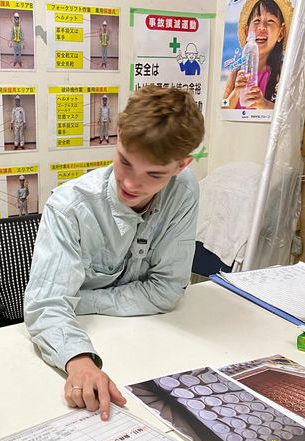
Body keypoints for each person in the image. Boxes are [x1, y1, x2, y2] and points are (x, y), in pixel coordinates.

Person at [24, 85, 205, 421]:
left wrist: (77, 300)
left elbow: (167, 290)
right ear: (118, 135)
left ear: (181, 165)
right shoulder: (70, 207)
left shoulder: (184, 189)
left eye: (154, 174)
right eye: (125, 161)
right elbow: (46, 305)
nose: (132, 184)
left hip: (148, 344)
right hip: (88, 341)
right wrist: (79, 360)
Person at [223, 0, 292, 111]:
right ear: (246, 32)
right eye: (257, 20)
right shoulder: (236, 72)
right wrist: (236, 93)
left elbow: (287, 112)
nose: (262, 27)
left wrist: (264, 104)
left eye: (270, 21)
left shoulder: (282, 73)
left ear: (281, 33)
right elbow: (223, 104)